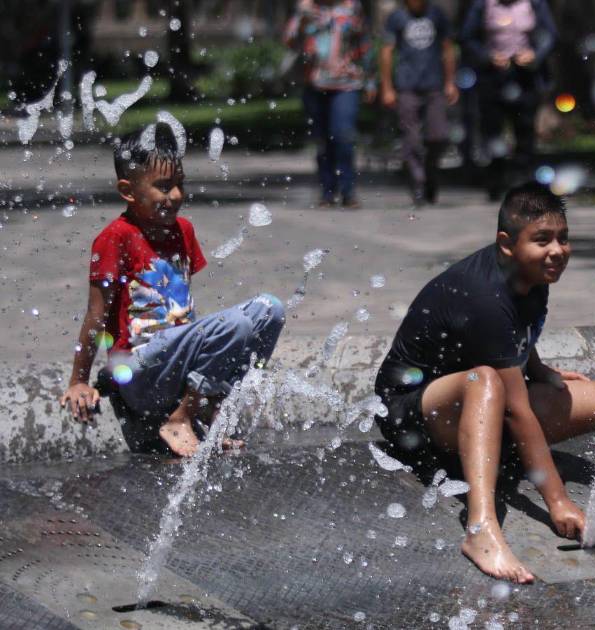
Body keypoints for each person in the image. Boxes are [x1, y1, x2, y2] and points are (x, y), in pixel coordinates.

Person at [374, 183, 595, 583]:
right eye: (542, 240)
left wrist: (541, 370)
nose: (557, 250)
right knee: (488, 381)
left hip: (478, 408)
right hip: (414, 416)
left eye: (563, 238)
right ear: (506, 243)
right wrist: (558, 500)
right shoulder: (482, 296)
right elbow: (515, 408)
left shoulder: (533, 275)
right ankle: (480, 529)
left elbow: (515, 336)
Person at [58, 123, 286, 458]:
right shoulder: (115, 237)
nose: (176, 195)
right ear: (128, 190)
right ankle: (180, 419)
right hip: (138, 371)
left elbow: (181, 310)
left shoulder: (183, 230)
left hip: (174, 367)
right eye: (163, 187)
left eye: (180, 184)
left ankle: (210, 411)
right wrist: (79, 380)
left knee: (271, 308)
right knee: (234, 324)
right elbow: (96, 314)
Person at [460, 0, 557, 200]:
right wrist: (487, 56)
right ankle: (495, 180)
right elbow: (466, 37)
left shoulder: (535, 4)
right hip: (493, 77)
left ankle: (523, 181)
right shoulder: (483, 5)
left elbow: (551, 35)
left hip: (525, 76)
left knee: (525, 128)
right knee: (492, 130)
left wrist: (534, 55)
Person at [284, 0, 371, 208]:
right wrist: (303, 23)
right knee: (323, 140)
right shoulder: (305, 8)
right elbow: (290, 41)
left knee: (343, 135)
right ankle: (327, 190)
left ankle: (348, 190)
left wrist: (372, 80)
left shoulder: (352, 7)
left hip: (347, 82)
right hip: (315, 83)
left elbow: (364, 43)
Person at [379, 0, 459, 206]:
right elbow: (387, 51)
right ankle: (418, 182)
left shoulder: (436, 14)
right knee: (411, 138)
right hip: (407, 86)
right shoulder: (397, 17)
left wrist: (450, 82)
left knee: (438, 136)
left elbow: (447, 48)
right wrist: (387, 87)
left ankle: (430, 174)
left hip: (434, 85)